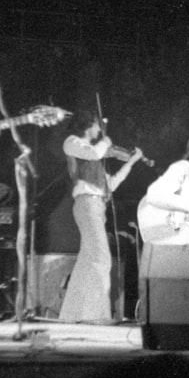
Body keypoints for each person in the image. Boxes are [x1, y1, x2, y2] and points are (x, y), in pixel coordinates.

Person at [59, 110, 143, 323]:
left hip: (96, 206)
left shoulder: (94, 161)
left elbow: (111, 185)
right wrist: (106, 141)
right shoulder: (72, 142)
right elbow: (95, 152)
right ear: (88, 125)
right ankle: (98, 316)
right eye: (98, 125)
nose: (100, 130)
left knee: (87, 261)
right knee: (101, 258)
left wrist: (131, 162)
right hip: (86, 204)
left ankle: (72, 315)